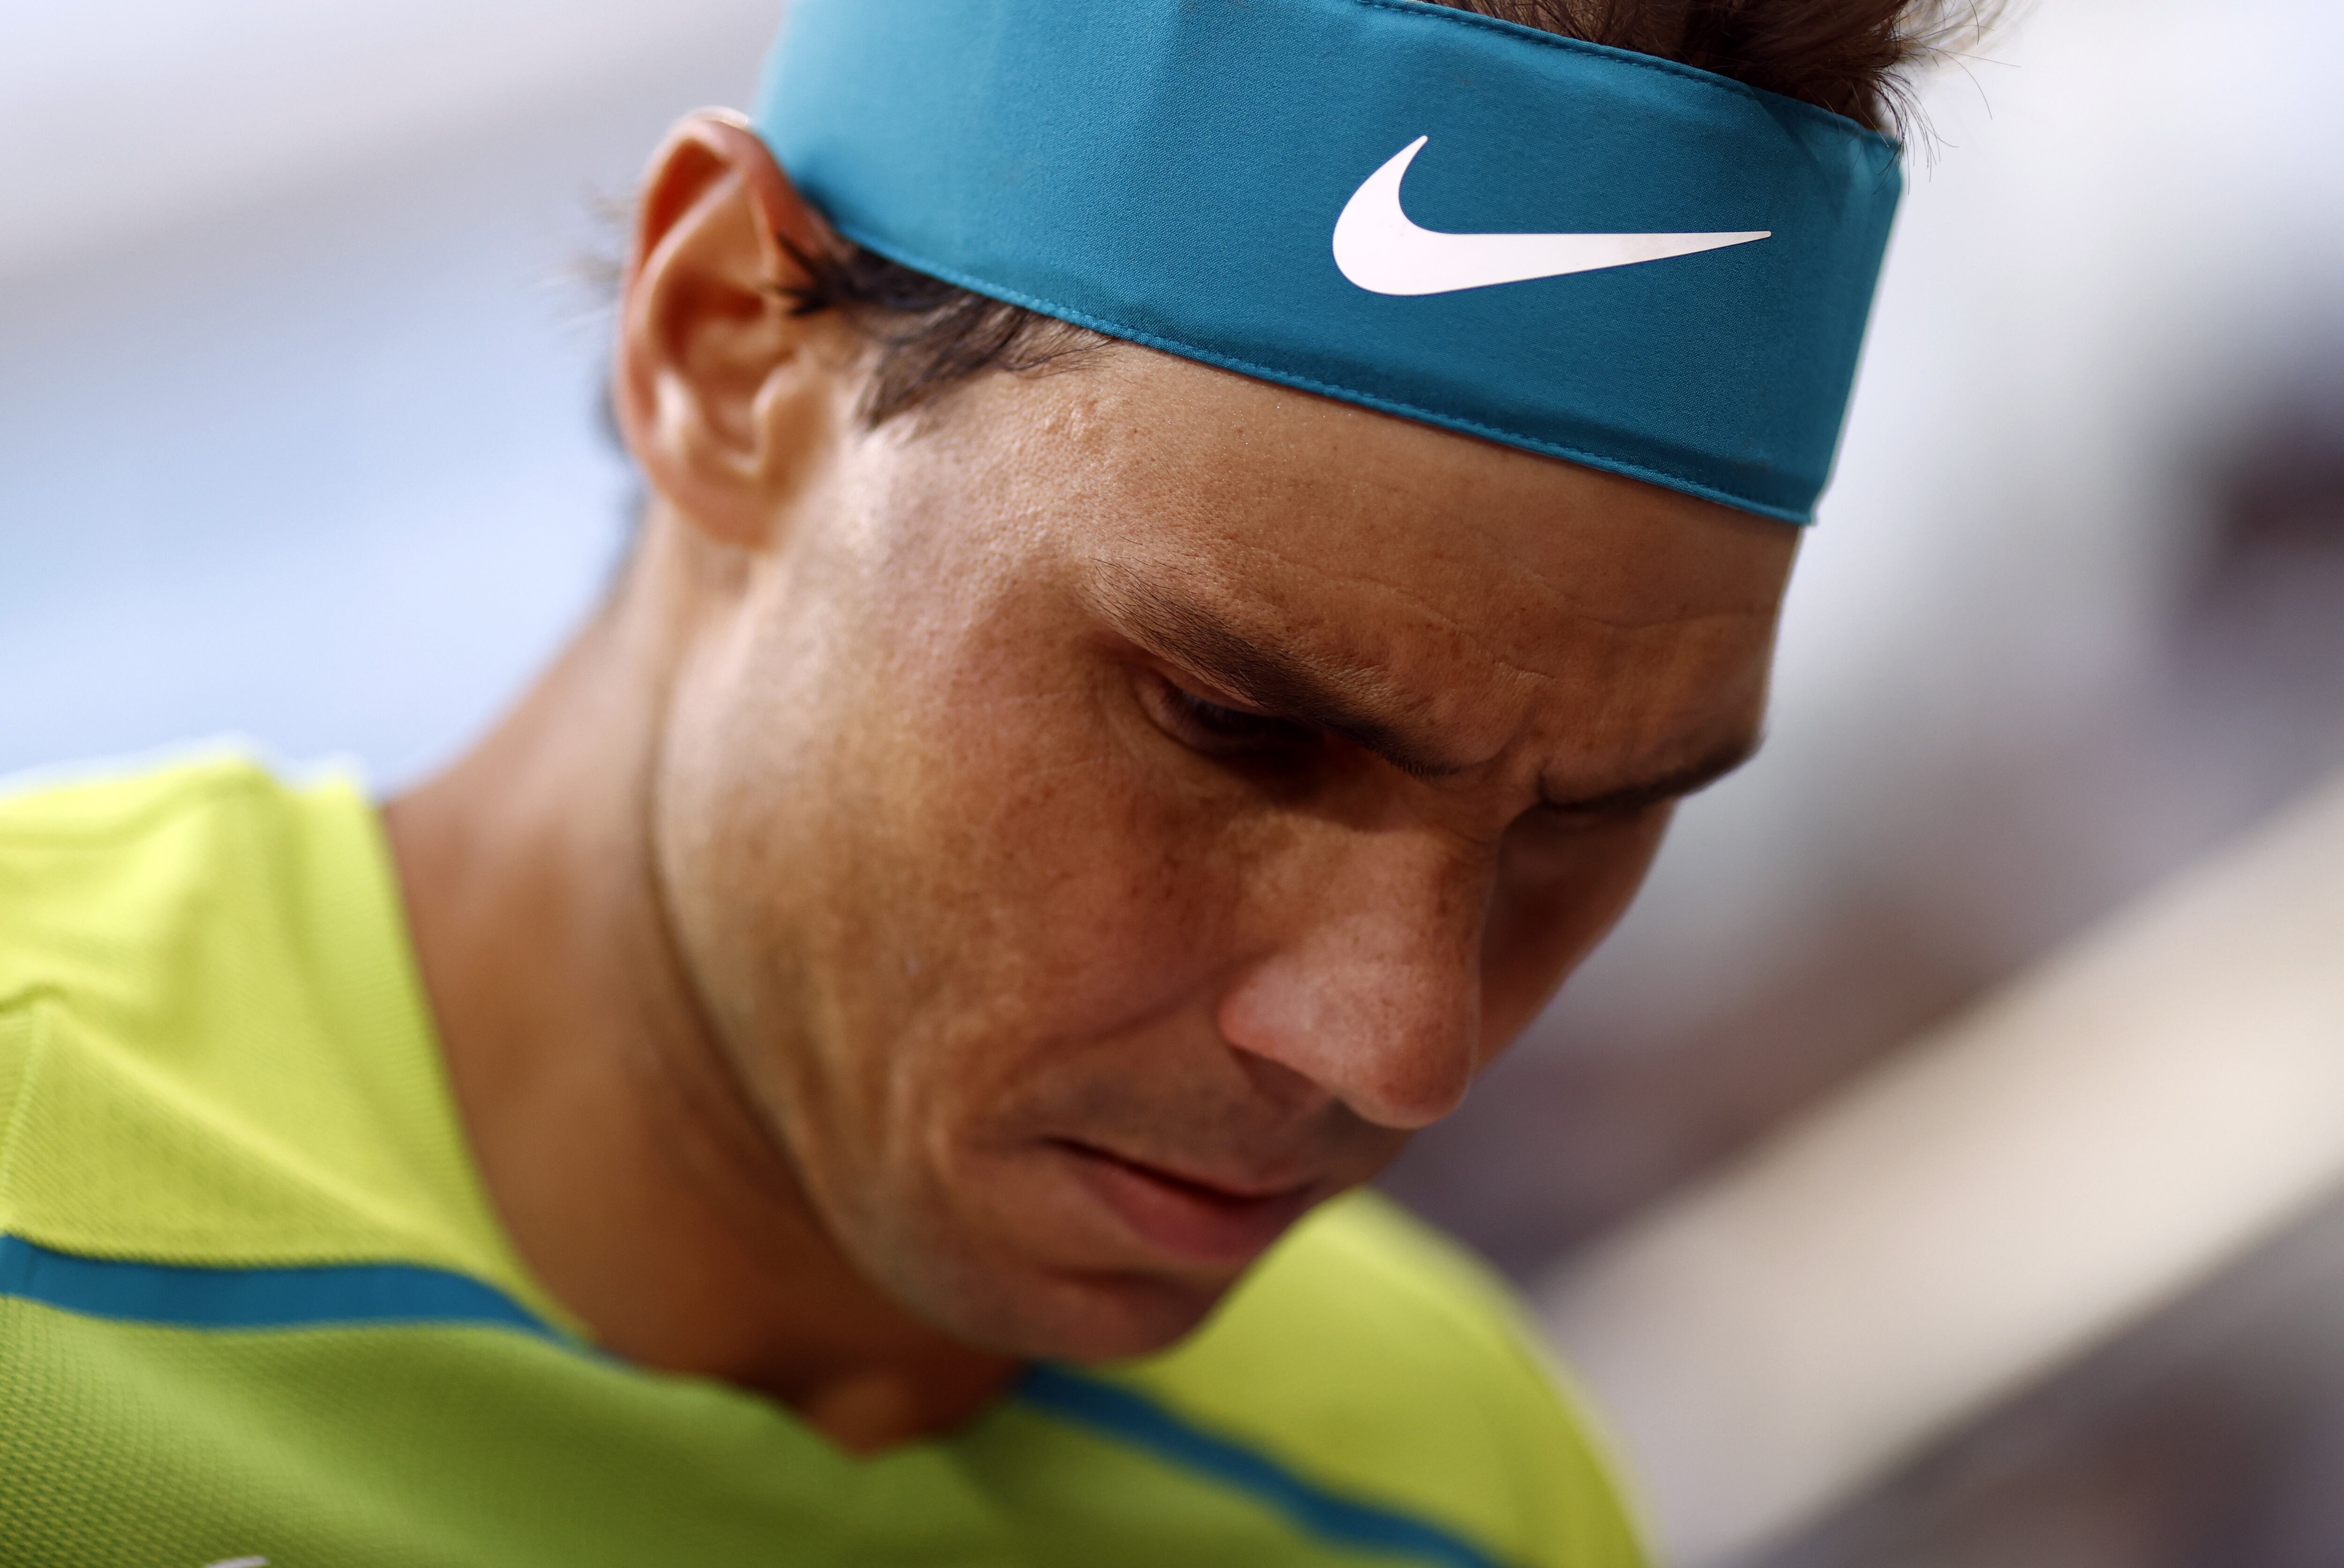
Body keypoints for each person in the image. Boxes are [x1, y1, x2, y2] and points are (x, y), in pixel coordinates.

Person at [0, 1, 1964, 1562]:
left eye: (1591, 813)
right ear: (725, 354)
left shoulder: (1448, 1489)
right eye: (1227, 722)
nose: (1393, 1049)